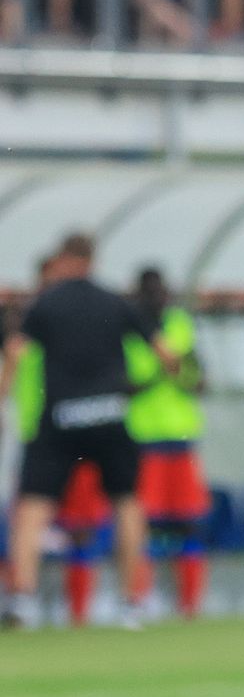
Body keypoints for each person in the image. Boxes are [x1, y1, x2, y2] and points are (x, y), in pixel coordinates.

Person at [2, 234, 168, 630]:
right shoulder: (115, 301)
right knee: (126, 503)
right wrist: (144, 384)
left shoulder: (46, 302)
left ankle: (22, 600)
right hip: (110, 414)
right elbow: (165, 354)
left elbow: (15, 351)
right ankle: (133, 602)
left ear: (63, 259)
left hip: (60, 418)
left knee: (33, 507)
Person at [123, 267, 208, 620]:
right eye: (148, 292)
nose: (155, 298)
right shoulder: (126, 330)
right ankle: (142, 596)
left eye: (160, 291)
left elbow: (200, 380)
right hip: (143, 438)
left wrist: (181, 373)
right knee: (145, 523)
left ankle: (190, 603)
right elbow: (121, 384)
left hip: (182, 436)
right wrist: (160, 372)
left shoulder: (180, 325)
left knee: (188, 522)